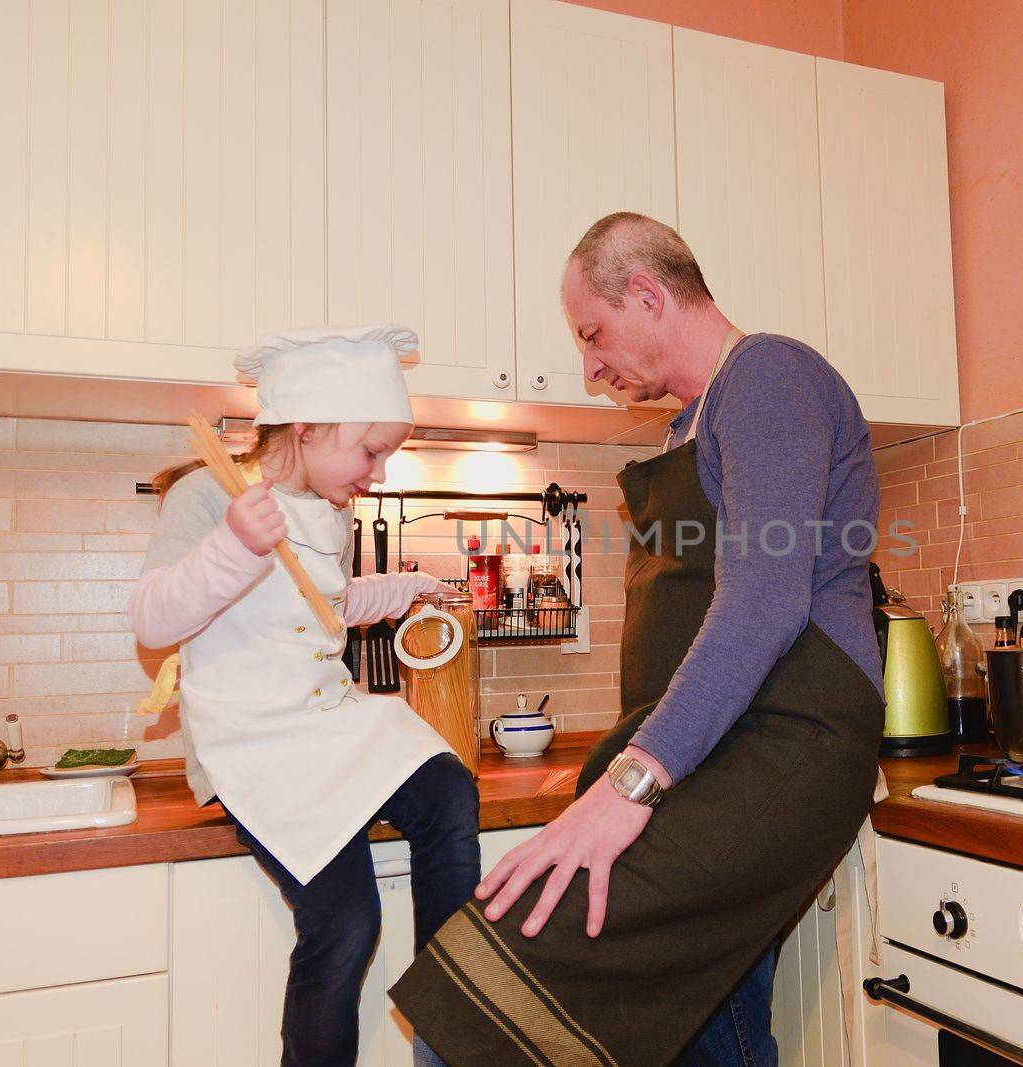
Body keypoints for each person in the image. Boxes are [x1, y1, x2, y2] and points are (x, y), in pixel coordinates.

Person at [392, 213, 886, 1065]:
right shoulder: (688, 422)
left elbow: (765, 600)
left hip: (788, 732)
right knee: (702, 1027)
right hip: (709, 742)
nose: (588, 368)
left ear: (649, 295)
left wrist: (630, 781)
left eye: (592, 333)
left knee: (474, 1011)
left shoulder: (769, 375)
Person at [128, 325, 480, 1067]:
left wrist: (405, 587)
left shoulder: (332, 504)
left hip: (329, 722)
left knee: (449, 789)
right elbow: (152, 618)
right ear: (311, 427)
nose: (379, 472)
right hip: (253, 743)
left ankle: (452, 1041)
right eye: (372, 449)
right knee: (347, 921)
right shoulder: (207, 494)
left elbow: (324, 602)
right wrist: (232, 545)